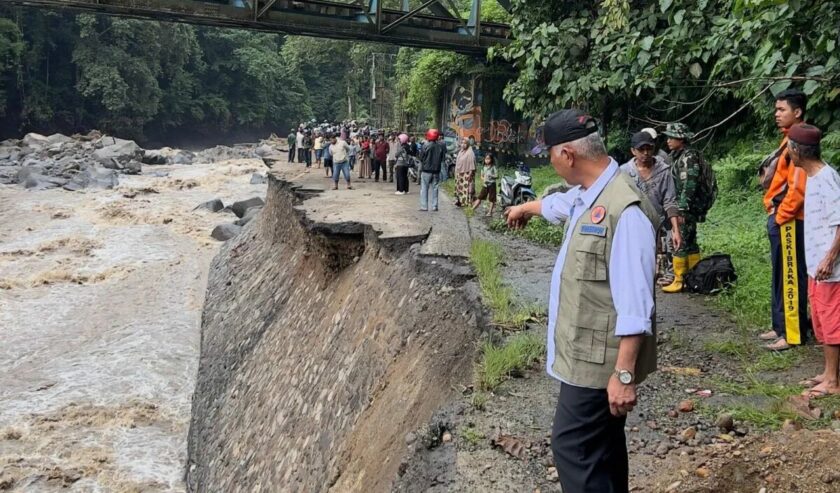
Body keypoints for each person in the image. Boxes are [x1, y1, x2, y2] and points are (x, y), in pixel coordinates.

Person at [504, 109, 658, 493]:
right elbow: (560, 206)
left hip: (598, 365)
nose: (551, 163)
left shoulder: (625, 212)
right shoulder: (590, 193)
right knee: (601, 449)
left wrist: (623, 375)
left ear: (567, 155)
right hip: (586, 358)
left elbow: (637, 305)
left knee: (573, 447)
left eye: (551, 155)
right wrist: (525, 207)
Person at [787, 123, 840, 397]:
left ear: (796, 151)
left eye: (789, 148)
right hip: (817, 265)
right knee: (820, 318)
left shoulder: (827, 178)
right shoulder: (814, 177)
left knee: (832, 320)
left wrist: (830, 258)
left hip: (830, 268)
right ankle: (827, 372)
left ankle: (832, 380)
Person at [758, 89, 812, 350]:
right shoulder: (787, 138)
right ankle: (781, 326)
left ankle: (792, 333)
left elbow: (798, 186)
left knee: (791, 274)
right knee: (781, 273)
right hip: (781, 215)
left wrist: (781, 216)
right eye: (776, 109)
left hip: (790, 219)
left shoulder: (800, 139)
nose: (776, 114)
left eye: (782, 110)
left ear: (797, 112)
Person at [621, 131, 683, 283]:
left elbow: (670, 200)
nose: (645, 153)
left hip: (659, 222)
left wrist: (676, 230)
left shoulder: (664, 170)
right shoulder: (624, 172)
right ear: (633, 151)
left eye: (649, 148)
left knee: (659, 270)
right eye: (641, 150)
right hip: (633, 223)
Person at [660, 123, 712, 294]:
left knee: (680, 241)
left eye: (671, 137)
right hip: (689, 206)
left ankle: (680, 279)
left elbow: (689, 185)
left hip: (686, 207)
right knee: (690, 241)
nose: (668, 141)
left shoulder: (688, 158)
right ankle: (693, 276)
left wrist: (681, 210)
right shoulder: (680, 156)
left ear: (680, 139)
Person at [419, 128, 446, 212]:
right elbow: (442, 158)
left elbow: (421, 157)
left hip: (426, 171)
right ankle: (434, 206)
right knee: (435, 188)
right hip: (436, 171)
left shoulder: (425, 145)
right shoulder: (440, 146)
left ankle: (424, 206)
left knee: (424, 188)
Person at [453, 140, 476, 207]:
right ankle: (460, 201)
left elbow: (472, 165)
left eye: (465, 143)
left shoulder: (470, 153)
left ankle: (467, 202)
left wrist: (470, 174)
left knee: (467, 188)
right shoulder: (461, 151)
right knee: (459, 187)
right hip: (459, 173)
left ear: (468, 144)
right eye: (462, 143)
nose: (463, 144)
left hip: (467, 173)